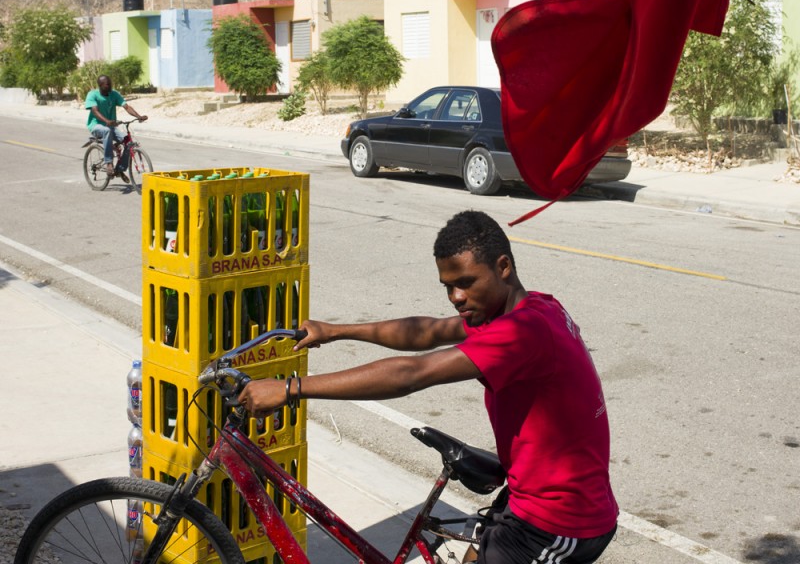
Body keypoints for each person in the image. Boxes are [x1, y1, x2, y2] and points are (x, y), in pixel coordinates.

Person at [240, 209, 618, 564]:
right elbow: (427, 332)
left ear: (503, 267)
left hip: (560, 519)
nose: (456, 298)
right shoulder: (524, 308)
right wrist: (337, 331)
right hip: (526, 495)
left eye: (466, 283)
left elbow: (413, 373)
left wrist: (291, 389)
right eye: (449, 286)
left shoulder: (523, 332)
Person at [85, 74, 147, 183]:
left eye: (110, 84)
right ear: (100, 85)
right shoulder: (92, 95)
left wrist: (138, 116)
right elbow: (95, 111)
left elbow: (126, 107)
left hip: (111, 126)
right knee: (107, 130)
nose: (110, 86)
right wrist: (107, 121)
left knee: (129, 143)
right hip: (96, 126)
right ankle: (109, 162)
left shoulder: (114, 94)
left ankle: (120, 169)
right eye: (107, 84)